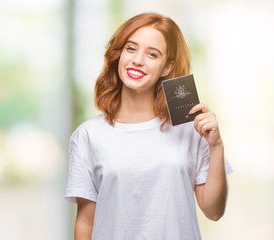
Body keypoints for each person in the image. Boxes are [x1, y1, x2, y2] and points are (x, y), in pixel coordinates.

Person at [65, 12, 232, 240]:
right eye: (131, 48)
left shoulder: (191, 129)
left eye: (152, 54)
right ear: (119, 55)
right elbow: (85, 222)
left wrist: (216, 147)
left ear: (166, 67)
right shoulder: (88, 135)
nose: (138, 60)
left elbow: (214, 212)